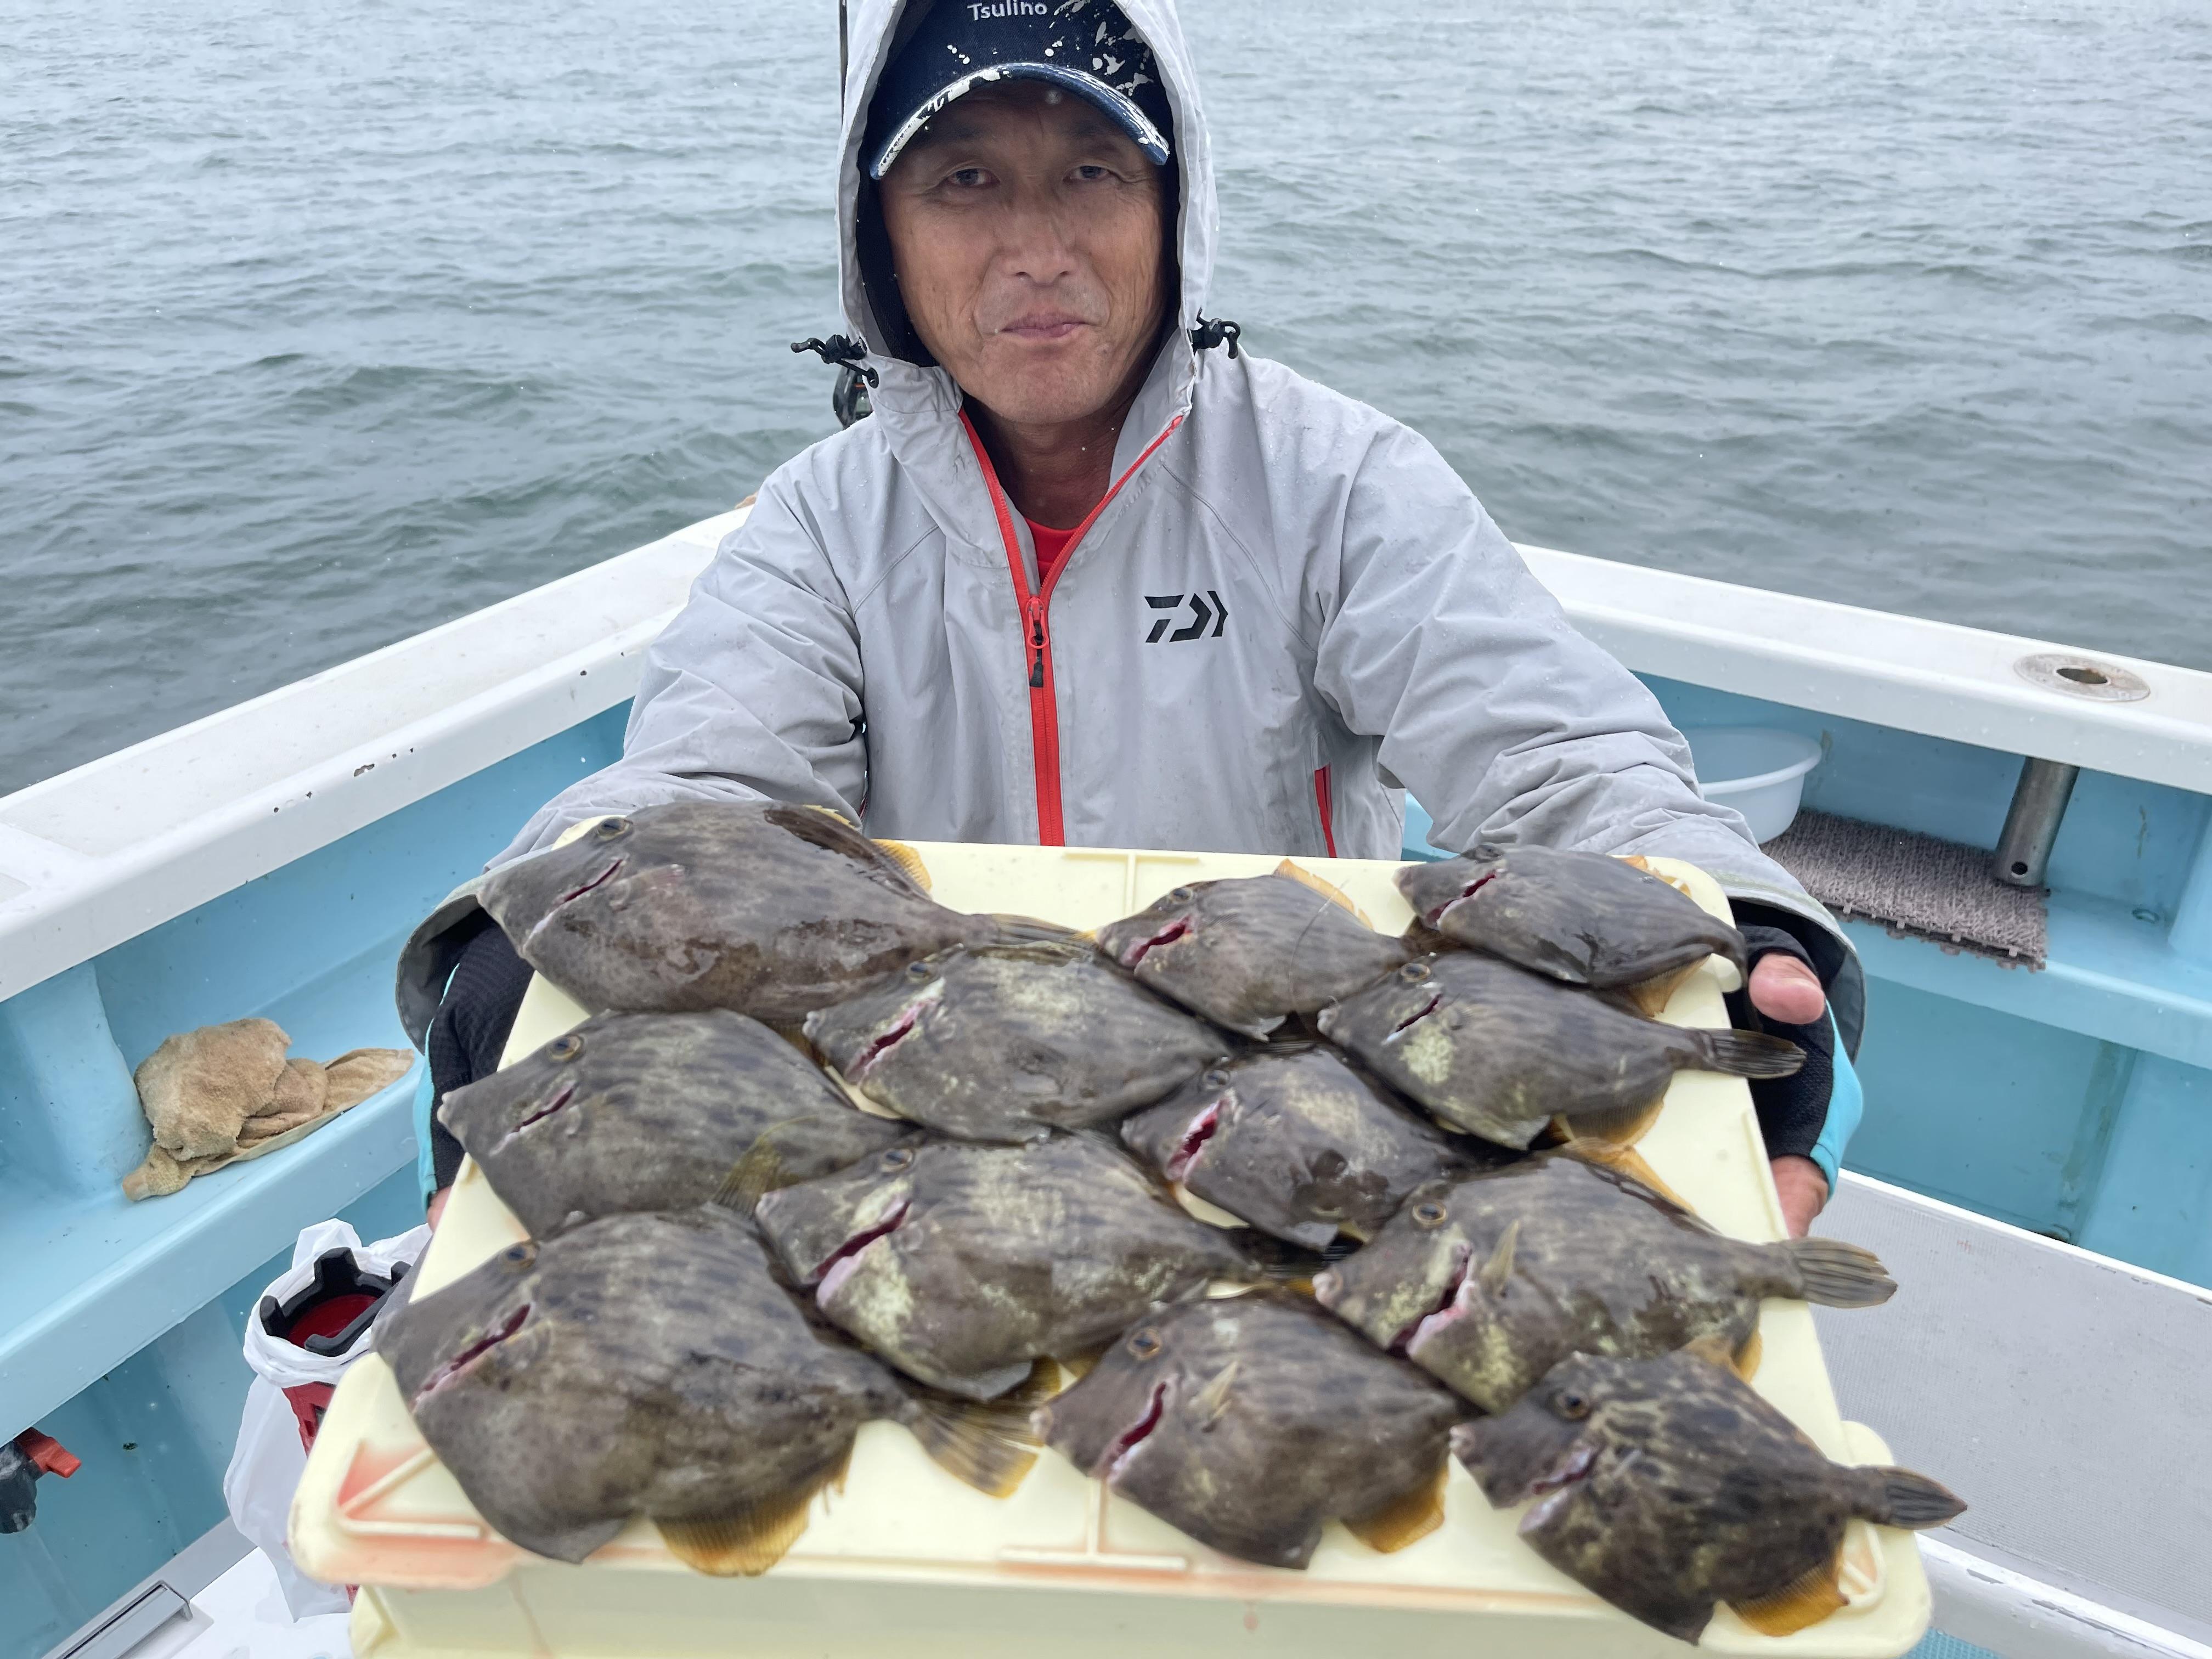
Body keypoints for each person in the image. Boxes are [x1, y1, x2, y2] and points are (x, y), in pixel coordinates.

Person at [419, 0, 1863, 1234]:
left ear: (1175, 217)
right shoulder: (821, 523)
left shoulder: (1335, 480)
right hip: (933, 1129)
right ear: (885, 239)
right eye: (966, 180)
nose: (1036, 246)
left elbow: (1557, 755)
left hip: (1290, 1123)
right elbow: (708, 787)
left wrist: (1730, 919)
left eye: (1095, 172)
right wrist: (534, 931)